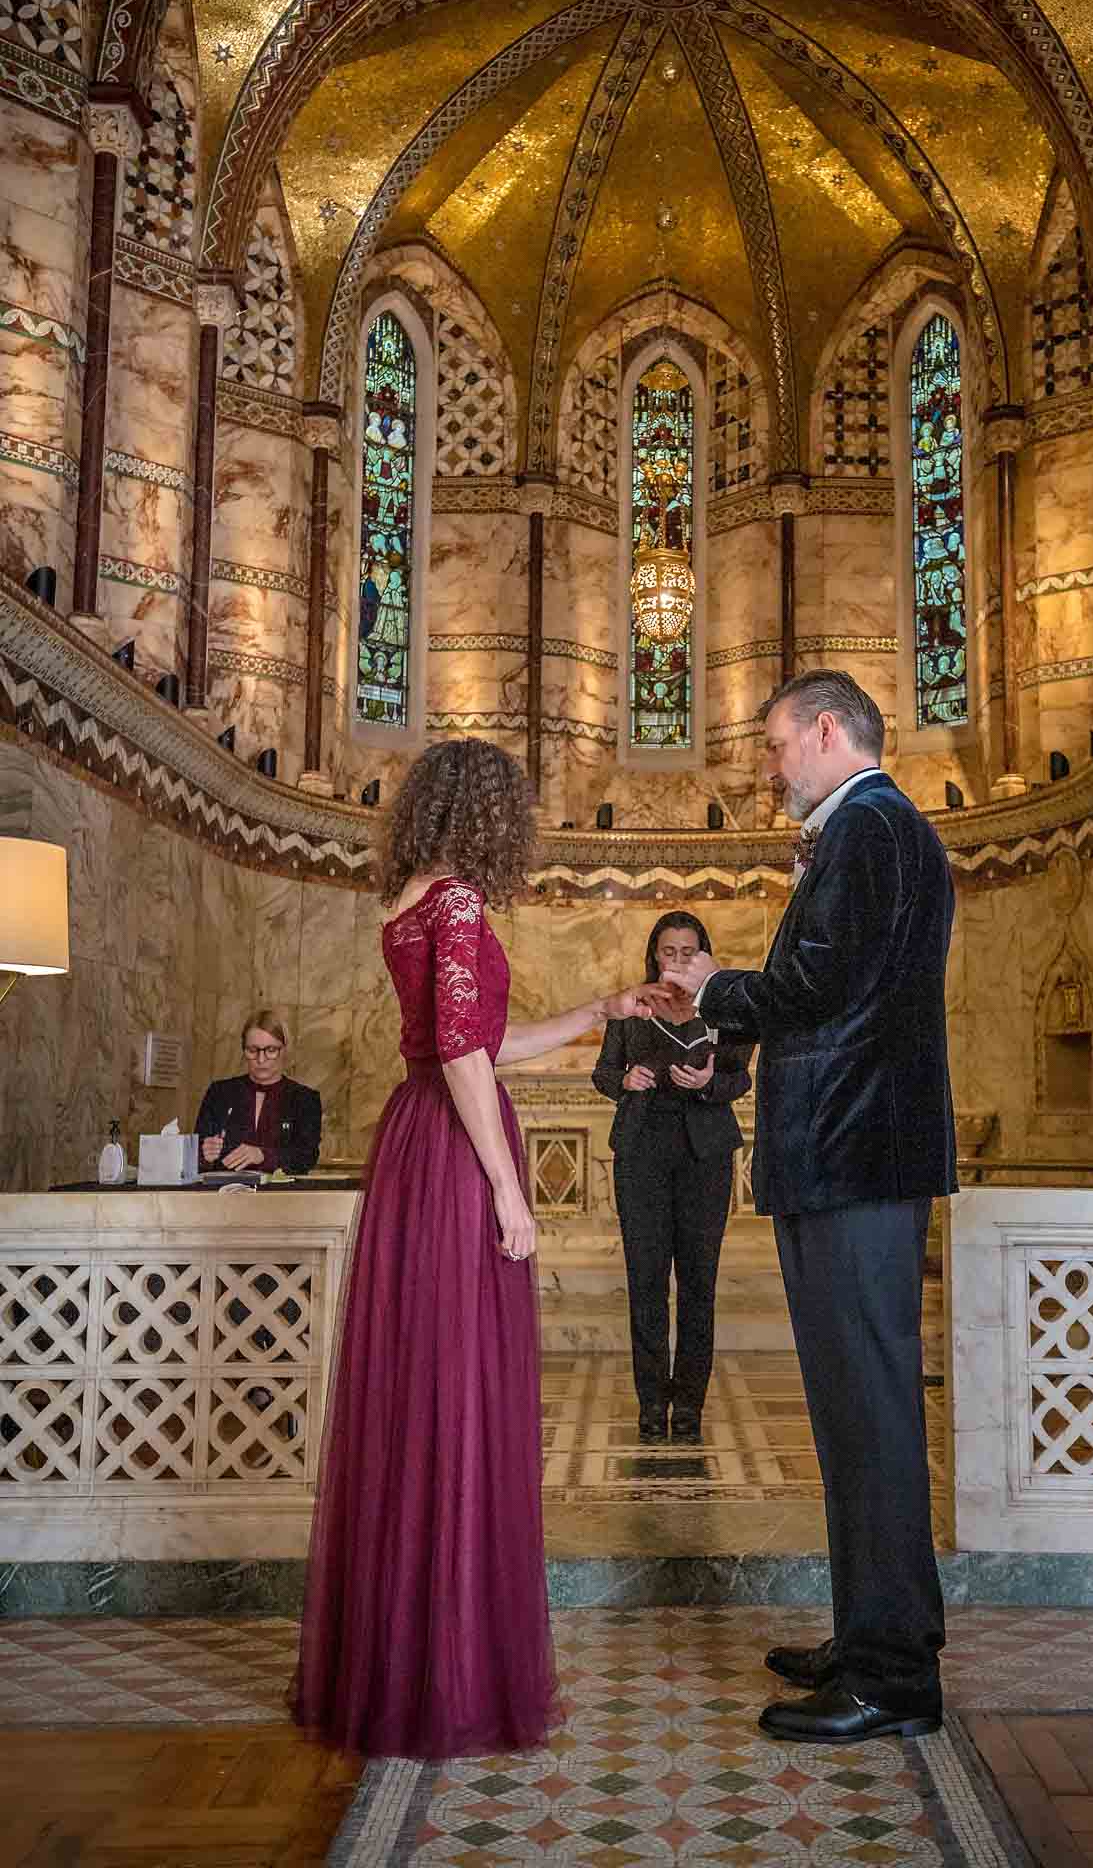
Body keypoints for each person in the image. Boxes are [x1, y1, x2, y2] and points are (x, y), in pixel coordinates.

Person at [290, 738, 661, 1760]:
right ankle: (451, 1674)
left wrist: (598, 1012)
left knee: (421, 1397)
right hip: (454, 1157)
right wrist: (509, 1186)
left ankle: (402, 1662)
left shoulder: (408, 896)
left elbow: (471, 1039)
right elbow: (461, 1052)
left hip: (415, 1140)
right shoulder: (454, 901)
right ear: (489, 812)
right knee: (457, 1396)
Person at [665, 670, 957, 1746]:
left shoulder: (872, 826)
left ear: (828, 730)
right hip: (849, 1154)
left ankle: (892, 1675)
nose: (769, 763)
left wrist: (709, 987)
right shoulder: (874, 829)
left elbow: (818, 986)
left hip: (854, 1154)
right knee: (852, 1410)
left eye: (777, 742)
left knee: (871, 1411)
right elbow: (837, 986)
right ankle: (875, 1631)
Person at [592, 912, 752, 1445]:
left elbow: (739, 1077)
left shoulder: (726, 1007)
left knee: (699, 1286)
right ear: (654, 956)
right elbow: (603, 1071)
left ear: (704, 955)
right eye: (669, 951)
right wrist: (625, 1079)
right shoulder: (631, 1006)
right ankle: (650, 1403)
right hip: (641, 1154)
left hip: (705, 1157)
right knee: (646, 1284)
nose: (679, 960)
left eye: (688, 951)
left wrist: (709, 1080)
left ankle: (688, 1405)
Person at [195, 1012, 322, 1175]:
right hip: (226, 1195)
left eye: (271, 1050)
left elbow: (307, 1157)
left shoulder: (304, 1098)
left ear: (284, 1050)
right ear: (243, 1050)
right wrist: (204, 1155)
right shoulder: (220, 1093)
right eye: (252, 1050)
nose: (261, 1059)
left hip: (282, 1197)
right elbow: (196, 1153)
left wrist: (263, 1155)